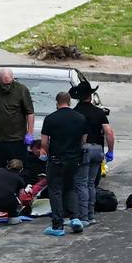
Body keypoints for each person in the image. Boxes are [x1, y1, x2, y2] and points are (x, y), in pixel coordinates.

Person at [40, 92, 88, 236]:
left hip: (57, 159)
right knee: (70, 187)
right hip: (74, 159)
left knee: (55, 190)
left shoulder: (50, 119)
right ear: (70, 102)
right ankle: (74, 218)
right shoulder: (80, 118)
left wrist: (48, 152)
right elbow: (84, 140)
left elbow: (44, 142)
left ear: (57, 102)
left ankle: (57, 225)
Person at [71, 81, 115, 224]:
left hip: (83, 150)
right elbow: (109, 132)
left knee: (81, 183)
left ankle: (83, 216)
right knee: (91, 183)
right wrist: (110, 151)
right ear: (90, 96)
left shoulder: (75, 113)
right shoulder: (99, 112)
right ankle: (91, 215)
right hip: (97, 150)